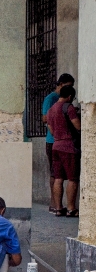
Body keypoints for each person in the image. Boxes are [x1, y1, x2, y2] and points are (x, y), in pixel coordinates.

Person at [42, 73, 75, 214]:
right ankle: (55, 204)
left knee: (58, 175)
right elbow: (45, 118)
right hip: (54, 140)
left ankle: (58, 207)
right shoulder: (51, 99)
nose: (70, 89)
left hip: (56, 141)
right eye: (68, 86)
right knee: (56, 174)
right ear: (61, 84)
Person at [47, 85, 81, 217]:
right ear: (70, 97)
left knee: (58, 178)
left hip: (56, 146)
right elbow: (77, 125)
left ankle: (58, 208)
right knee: (73, 178)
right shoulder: (69, 107)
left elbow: (51, 130)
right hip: (69, 147)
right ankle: (71, 209)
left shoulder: (51, 110)